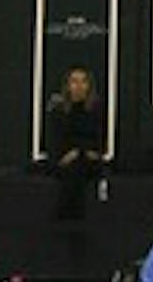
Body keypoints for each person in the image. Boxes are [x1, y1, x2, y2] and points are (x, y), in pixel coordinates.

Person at [45, 66, 104, 219]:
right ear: (68, 86)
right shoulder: (59, 112)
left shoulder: (96, 110)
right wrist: (66, 156)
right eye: (74, 82)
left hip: (88, 160)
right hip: (66, 160)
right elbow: (56, 141)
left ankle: (67, 218)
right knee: (73, 170)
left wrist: (81, 151)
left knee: (78, 168)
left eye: (83, 82)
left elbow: (97, 141)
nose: (79, 86)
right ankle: (69, 218)